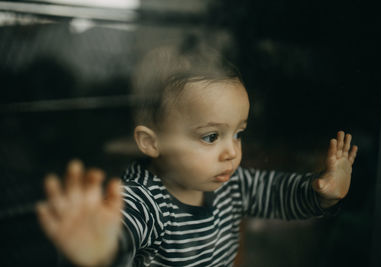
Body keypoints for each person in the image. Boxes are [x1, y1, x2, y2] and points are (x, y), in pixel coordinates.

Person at [36, 39, 358, 267]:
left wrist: (320, 193)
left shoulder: (232, 185)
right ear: (151, 142)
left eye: (239, 134)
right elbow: (122, 228)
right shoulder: (148, 203)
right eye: (211, 136)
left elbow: (277, 193)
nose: (232, 151)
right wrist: (99, 252)